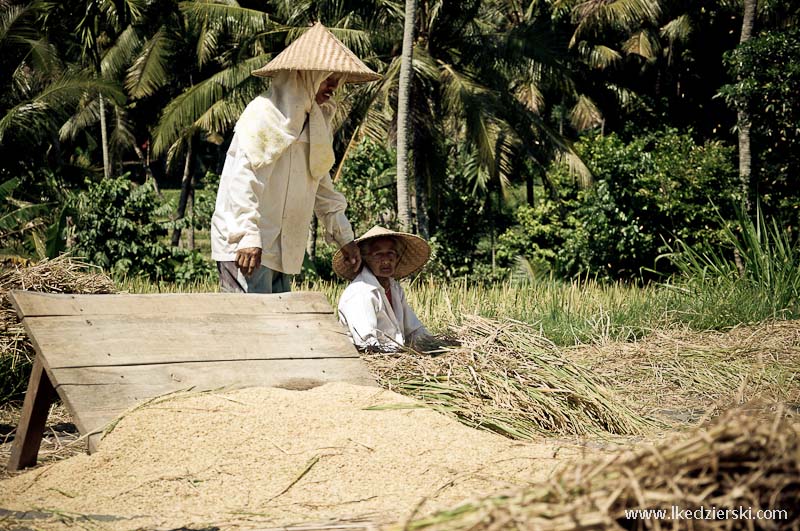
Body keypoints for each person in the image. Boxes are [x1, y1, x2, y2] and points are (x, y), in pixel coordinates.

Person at [210, 22, 381, 293]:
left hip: (283, 247)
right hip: (246, 244)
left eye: (337, 79)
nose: (334, 86)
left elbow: (321, 186)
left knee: (279, 328)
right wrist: (248, 235)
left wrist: (344, 237)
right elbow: (243, 182)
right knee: (247, 328)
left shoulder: (315, 121)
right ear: (305, 75)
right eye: (327, 78)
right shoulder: (263, 115)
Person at [334, 226, 432, 350]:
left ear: (397, 258)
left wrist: (433, 345)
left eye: (390, 253)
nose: (386, 260)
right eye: (378, 254)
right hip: (367, 363)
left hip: (394, 356)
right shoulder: (360, 293)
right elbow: (367, 343)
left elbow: (414, 329)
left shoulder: (394, 288)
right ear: (365, 258)